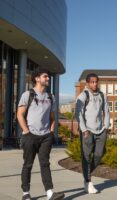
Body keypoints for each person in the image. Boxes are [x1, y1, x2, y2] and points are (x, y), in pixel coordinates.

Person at [17, 68, 65, 200]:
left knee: (45, 164)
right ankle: (25, 193)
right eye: (45, 76)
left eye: (48, 76)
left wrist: (51, 132)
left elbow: (52, 117)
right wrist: (26, 132)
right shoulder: (28, 94)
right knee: (28, 164)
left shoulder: (51, 97)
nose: (48, 78)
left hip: (45, 137)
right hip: (30, 135)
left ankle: (50, 192)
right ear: (37, 78)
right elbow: (19, 114)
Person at [75, 73, 109, 194]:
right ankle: (88, 182)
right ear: (88, 83)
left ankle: (86, 173)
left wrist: (106, 126)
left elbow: (106, 111)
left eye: (96, 82)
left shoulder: (102, 95)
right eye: (92, 82)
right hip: (87, 131)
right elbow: (77, 113)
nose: (94, 84)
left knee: (99, 155)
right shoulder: (83, 95)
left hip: (100, 130)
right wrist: (84, 130)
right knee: (86, 157)